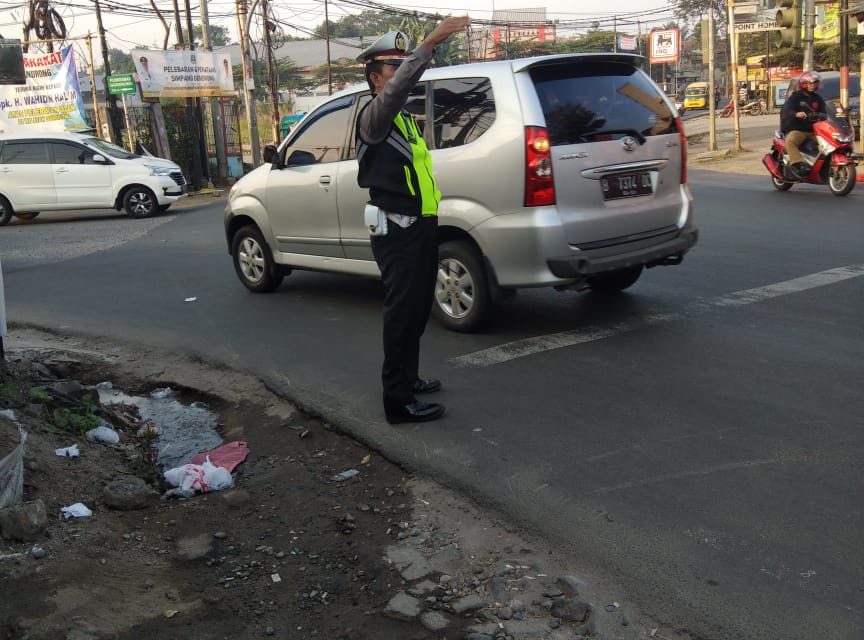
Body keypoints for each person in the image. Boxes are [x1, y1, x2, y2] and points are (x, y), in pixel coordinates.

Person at [355, 16, 470, 425]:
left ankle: (410, 378)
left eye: (403, 64)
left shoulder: (403, 118)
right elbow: (402, 85)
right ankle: (397, 402)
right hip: (397, 230)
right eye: (394, 67)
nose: (401, 72)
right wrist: (431, 41)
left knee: (418, 307)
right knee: (402, 313)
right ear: (376, 78)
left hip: (418, 226)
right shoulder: (375, 114)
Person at [780, 70, 827, 179]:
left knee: (830, 143)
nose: (813, 85)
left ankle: (825, 165)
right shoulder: (796, 97)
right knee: (790, 141)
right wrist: (796, 113)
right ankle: (798, 164)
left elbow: (825, 111)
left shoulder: (817, 98)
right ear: (804, 84)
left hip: (814, 130)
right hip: (799, 130)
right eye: (811, 83)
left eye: (815, 83)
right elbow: (787, 110)